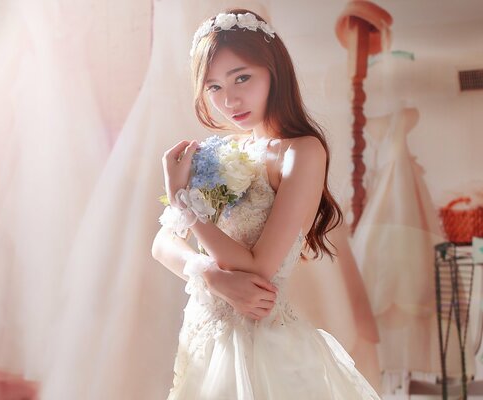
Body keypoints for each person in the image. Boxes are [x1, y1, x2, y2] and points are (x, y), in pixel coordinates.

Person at [152, 8, 381, 399]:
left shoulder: (302, 152)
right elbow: (162, 244)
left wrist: (183, 202)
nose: (230, 100)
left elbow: (260, 266)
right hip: (204, 335)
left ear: (275, 71)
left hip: (263, 346)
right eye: (214, 87)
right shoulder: (222, 152)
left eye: (242, 77)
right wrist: (208, 273)